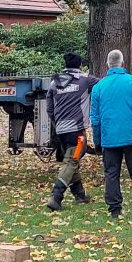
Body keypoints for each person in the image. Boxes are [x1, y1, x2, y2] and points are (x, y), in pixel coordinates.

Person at [90, 49, 132, 219]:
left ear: (108, 64)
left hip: (109, 138)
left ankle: (115, 210)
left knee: (111, 174)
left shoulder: (98, 87)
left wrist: (97, 141)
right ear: (123, 63)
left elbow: (95, 119)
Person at [45, 52, 99, 211]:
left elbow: (49, 109)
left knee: (71, 158)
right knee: (72, 161)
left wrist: (58, 123)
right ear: (79, 65)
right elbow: (105, 85)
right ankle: (56, 196)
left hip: (61, 131)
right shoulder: (85, 79)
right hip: (77, 132)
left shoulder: (54, 83)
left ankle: (80, 194)